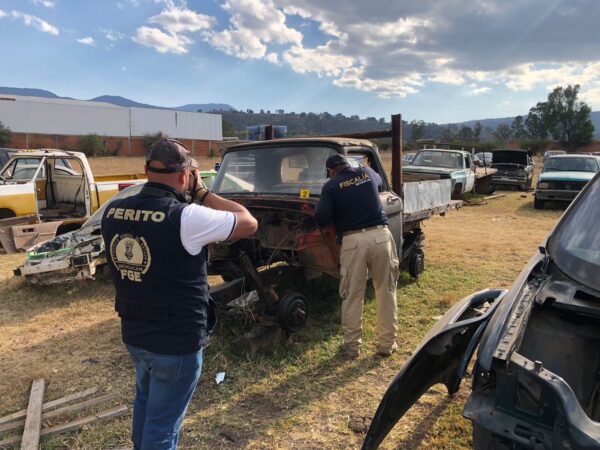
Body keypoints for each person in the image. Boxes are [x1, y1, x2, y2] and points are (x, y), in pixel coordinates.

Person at [101, 139, 257, 450]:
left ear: (146, 170)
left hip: (136, 332)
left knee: (146, 407)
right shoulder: (185, 217)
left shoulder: (113, 211)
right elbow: (248, 222)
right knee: (163, 429)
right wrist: (202, 193)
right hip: (176, 341)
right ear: (186, 175)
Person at [315, 153, 399, 359]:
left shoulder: (331, 186)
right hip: (381, 237)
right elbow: (379, 184)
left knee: (353, 295)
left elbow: (323, 218)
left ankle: (352, 347)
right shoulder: (368, 173)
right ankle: (387, 345)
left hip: (353, 242)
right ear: (347, 164)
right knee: (386, 290)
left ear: (330, 171)